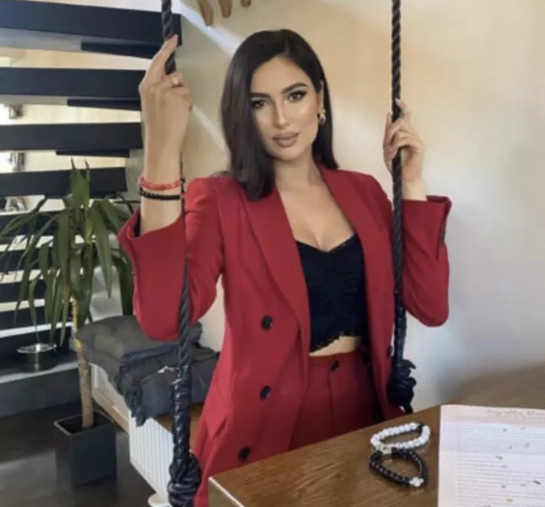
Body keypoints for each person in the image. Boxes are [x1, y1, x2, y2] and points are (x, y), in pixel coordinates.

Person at [118, 29, 451, 506]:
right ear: (243, 113)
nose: (280, 119)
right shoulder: (221, 200)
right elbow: (163, 318)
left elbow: (430, 305)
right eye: (260, 103)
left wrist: (412, 184)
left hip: (364, 414)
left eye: (295, 95)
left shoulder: (363, 192)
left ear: (320, 100)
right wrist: (161, 152)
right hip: (264, 422)